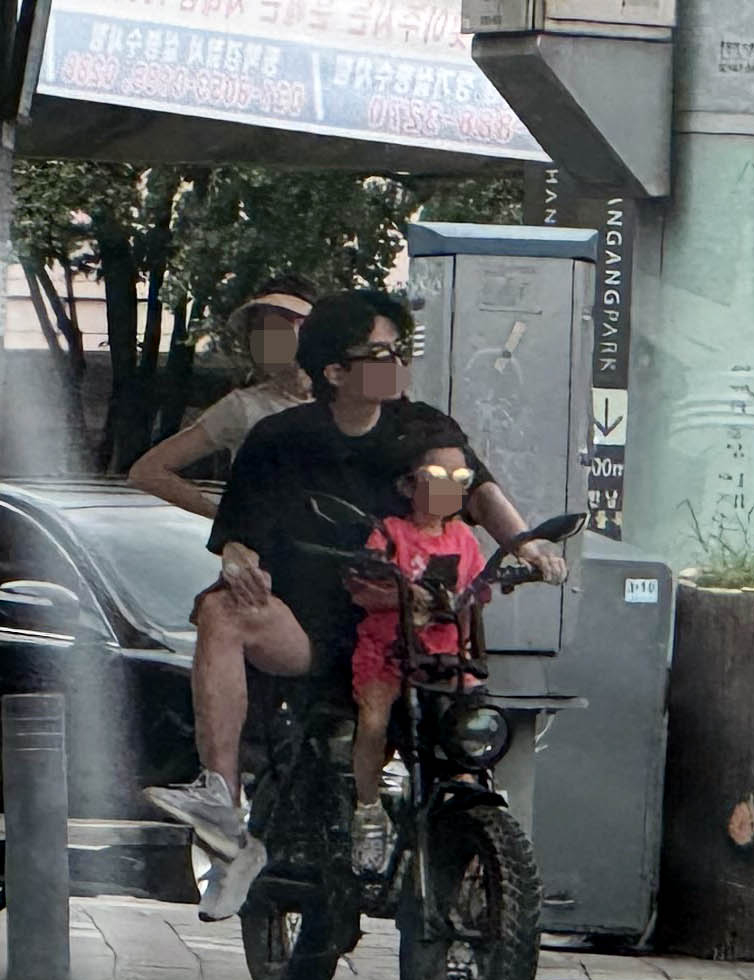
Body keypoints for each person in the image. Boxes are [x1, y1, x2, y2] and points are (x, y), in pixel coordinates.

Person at [144, 290, 567, 919]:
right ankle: (222, 808)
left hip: (412, 631)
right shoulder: (277, 438)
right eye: (377, 353)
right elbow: (240, 534)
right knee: (220, 610)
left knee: (466, 739)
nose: (394, 363)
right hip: (309, 628)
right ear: (334, 372)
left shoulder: (424, 429)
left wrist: (527, 545)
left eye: (400, 350)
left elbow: (477, 491)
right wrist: (239, 560)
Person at [348, 411, 487, 873]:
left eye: (460, 477)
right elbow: (361, 585)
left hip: (445, 659)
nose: (449, 485)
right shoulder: (391, 533)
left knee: (469, 729)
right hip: (388, 654)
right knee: (374, 721)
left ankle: (470, 807)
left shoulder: (465, 537)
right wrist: (400, 594)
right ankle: (367, 810)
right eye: (436, 476)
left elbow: (474, 594)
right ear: (409, 484)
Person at [128, 275, 317, 517]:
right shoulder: (243, 407)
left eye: (280, 325)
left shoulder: (349, 400)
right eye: (258, 329)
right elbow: (147, 472)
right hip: (267, 553)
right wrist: (226, 520)